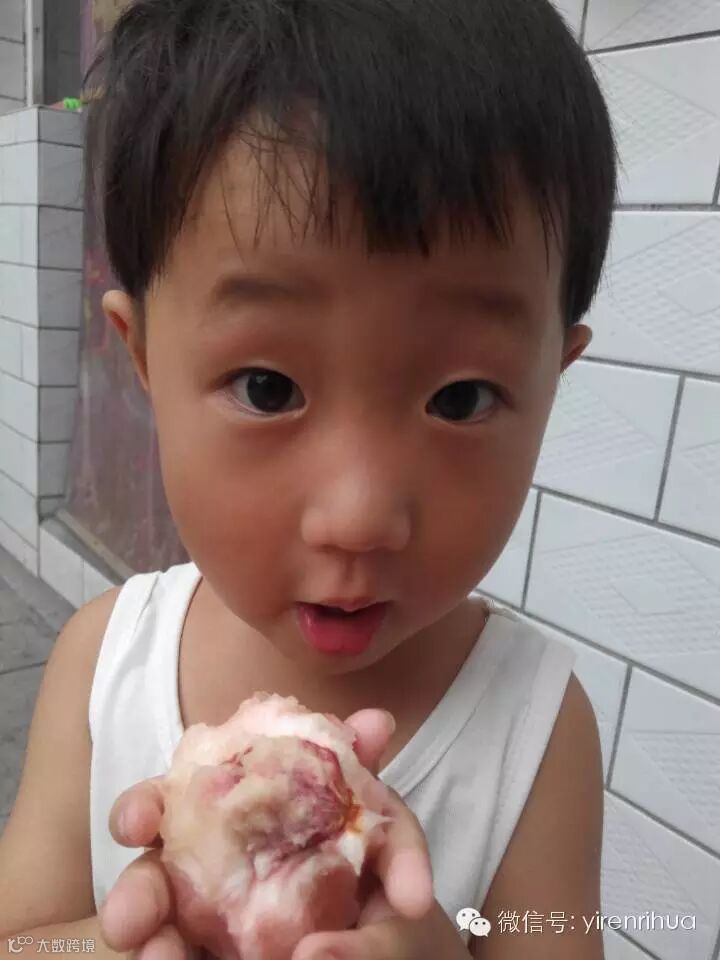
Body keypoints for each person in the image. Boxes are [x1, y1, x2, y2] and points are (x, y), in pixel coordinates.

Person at [0, 0, 616, 957]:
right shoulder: (101, 665)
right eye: (268, 387)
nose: (358, 516)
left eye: (460, 399)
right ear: (145, 357)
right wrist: (123, 944)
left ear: (554, 380)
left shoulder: (536, 731)